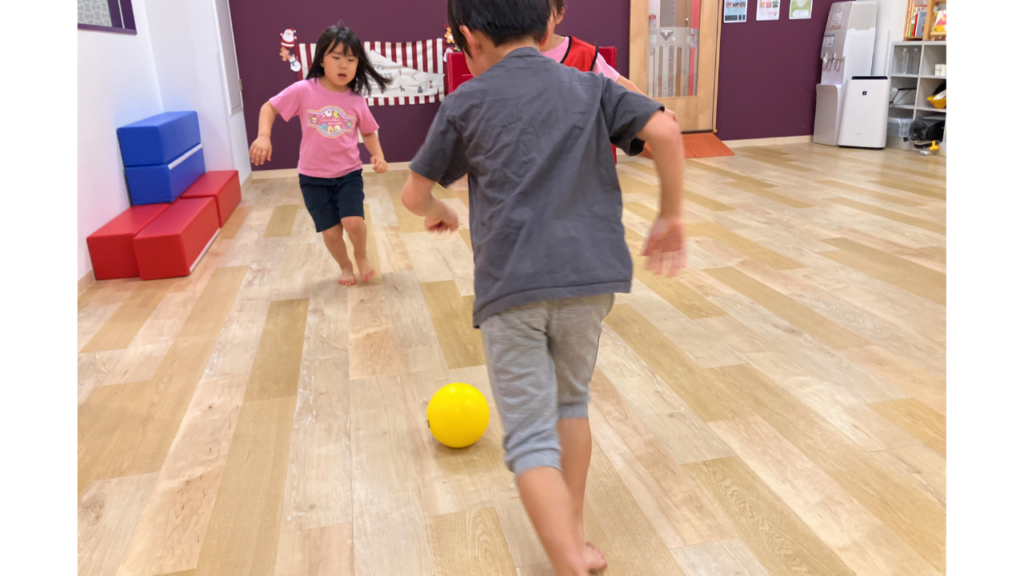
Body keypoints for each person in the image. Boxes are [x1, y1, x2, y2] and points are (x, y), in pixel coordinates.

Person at [401, 1, 686, 574]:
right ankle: (574, 535)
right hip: (589, 282)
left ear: (469, 39)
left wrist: (439, 210)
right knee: (571, 404)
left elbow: (413, 195)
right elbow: (666, 128)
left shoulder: (465, 101)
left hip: (512, 290)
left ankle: (566, 560)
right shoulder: (590, 85)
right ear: (549, 22)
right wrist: (670, 215)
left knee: (531, 438)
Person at [249, 23, 390, 286]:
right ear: (322, 59)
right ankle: (345, 265)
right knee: (331, 232)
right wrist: (263, 136)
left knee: (353, 221)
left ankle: (361, 255)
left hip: (349, 173)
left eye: (351, 60)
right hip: (312, 178)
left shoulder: (356, 100)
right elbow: (269, 108)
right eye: (336, 57)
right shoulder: (304, 90)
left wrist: (379, 156)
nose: (343, 65)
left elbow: (369, 132)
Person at [540, 0, 677, 124]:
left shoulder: (584, 54)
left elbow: (620, 83)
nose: (535, 23)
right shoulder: (525, 58)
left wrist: (655, 109)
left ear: (559, 15)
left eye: (543, 14)